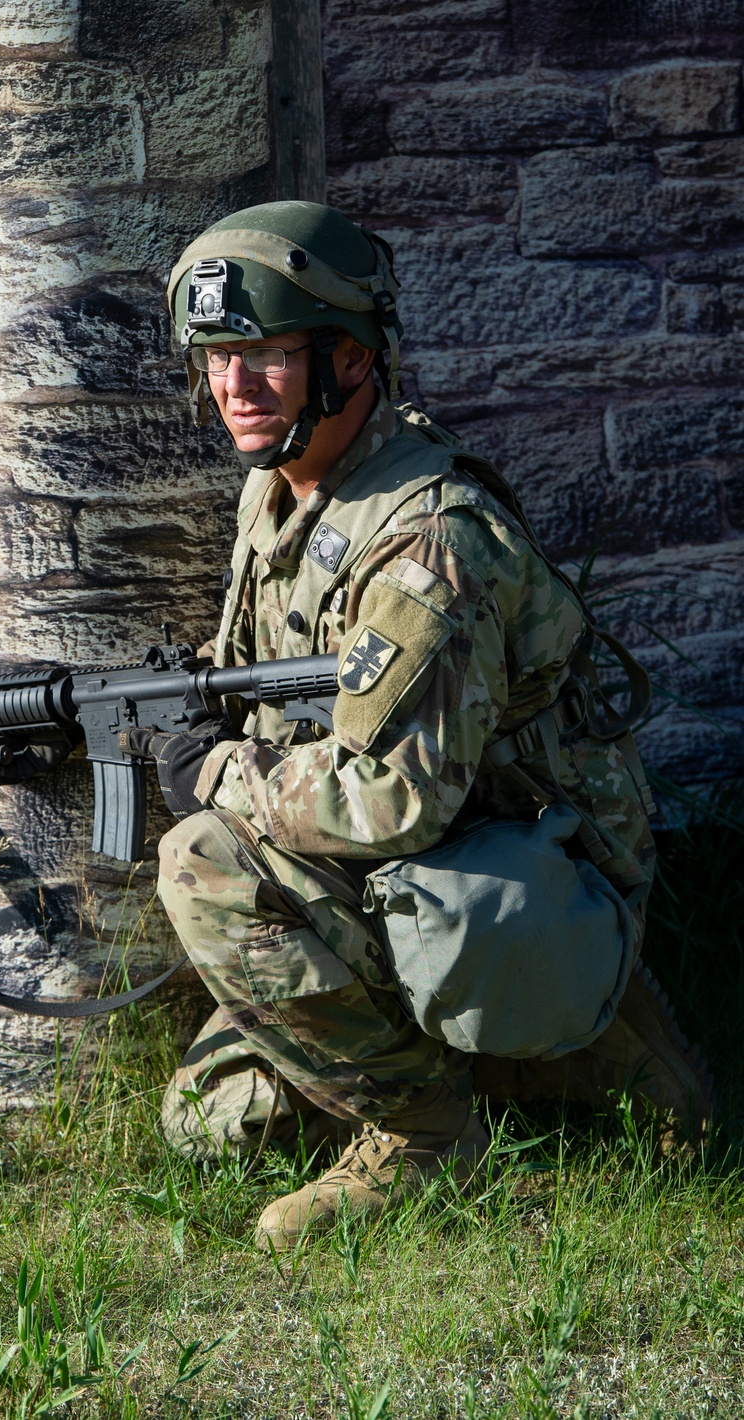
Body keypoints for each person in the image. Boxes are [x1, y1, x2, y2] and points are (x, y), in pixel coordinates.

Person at [122, 201, 712, 1252]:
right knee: (215, 1122)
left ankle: (429, 1134)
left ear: (349, 362)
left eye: (263, 356)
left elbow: (392, 797)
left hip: (525, 864)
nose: (232, 387)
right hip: (437, 852)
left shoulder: (427, 546)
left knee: (201, 859)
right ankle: (544, 1063)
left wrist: (212, 773)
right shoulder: (284, 492)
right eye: (217, 357)